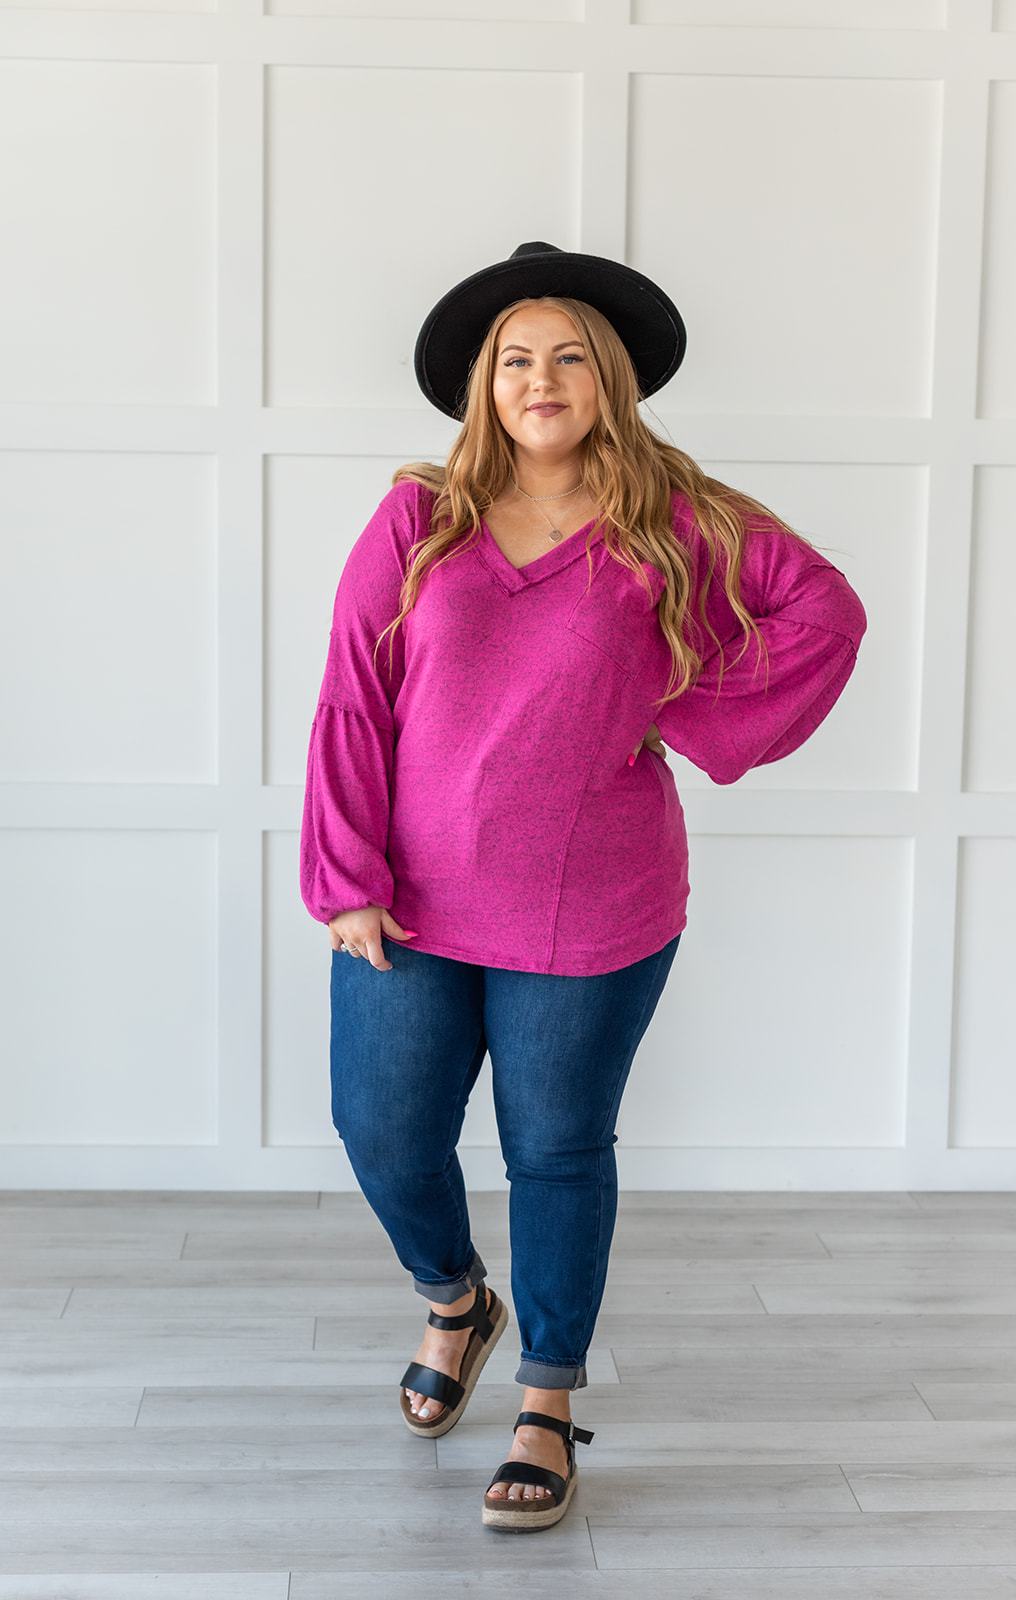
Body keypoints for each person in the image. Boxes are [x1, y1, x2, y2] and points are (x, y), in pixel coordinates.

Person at [299, 241, 868, 1531]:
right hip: (410, 896)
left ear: (609, 378)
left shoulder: (681, 521)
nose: (540, 379)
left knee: (554, 1150)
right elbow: (353, 699)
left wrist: (681, 703)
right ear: (484, 385)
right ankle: (458, 1301)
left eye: (567, 357)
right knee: (382, 1127)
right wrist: (345, 875)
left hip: (592, 899)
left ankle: (547, 1398)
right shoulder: (419, 518)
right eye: (515, 359)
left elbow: (824, 611)